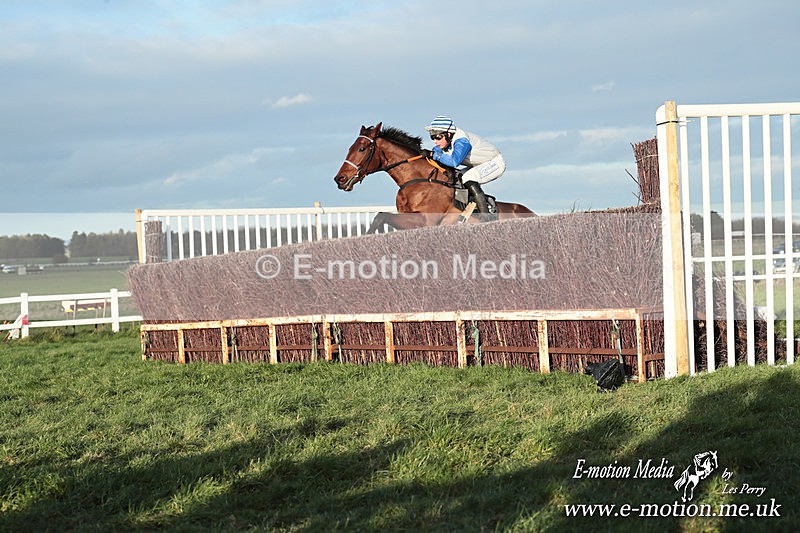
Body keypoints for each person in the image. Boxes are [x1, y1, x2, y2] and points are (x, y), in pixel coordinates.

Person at [425, 115, 505, 215]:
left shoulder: (461, 141)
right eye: (432, 137)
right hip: (477, 164)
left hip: (494, 162)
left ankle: (486, 215)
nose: (435, 141)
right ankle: (478, 203)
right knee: (456, 178)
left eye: (438, 137)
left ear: (449, 134)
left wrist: (433, 155)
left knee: (468, 177)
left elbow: (454, 162)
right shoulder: (445, 142)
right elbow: (435, 152)